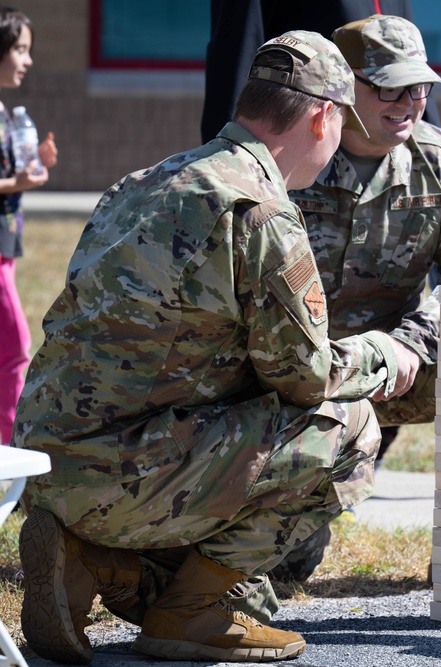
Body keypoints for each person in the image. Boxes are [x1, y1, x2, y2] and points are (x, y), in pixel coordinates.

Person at [13, 30, 396, 664]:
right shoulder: (261, 209)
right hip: (123, 476)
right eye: (341, 126)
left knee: (234, 442)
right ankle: (193, 613)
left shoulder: (143, 180)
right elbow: (304, 378)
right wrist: (385, 355)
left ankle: (97, 566)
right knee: (347, 427)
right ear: (323, 116)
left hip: (44, 465)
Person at [278, 14, 441, 581]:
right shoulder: (289, 155)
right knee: (282, 567)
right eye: (389, 86)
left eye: (421, 86)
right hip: (290, 367)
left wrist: (408, 341)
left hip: (398, 362)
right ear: (341, 85)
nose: (409, 101)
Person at [200, 0, 439, 144]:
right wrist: (230, 151)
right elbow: (236, 54)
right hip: (302, 149)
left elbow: (409, 64)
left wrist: (433, 135)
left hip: (386, 156)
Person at [0, 5, 57, 446]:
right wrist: (15, 180)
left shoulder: (4, 111)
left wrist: (32, 163)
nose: (28, 60)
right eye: (20, 49)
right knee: (16, 347)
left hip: (7, 245)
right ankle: (9, 450)